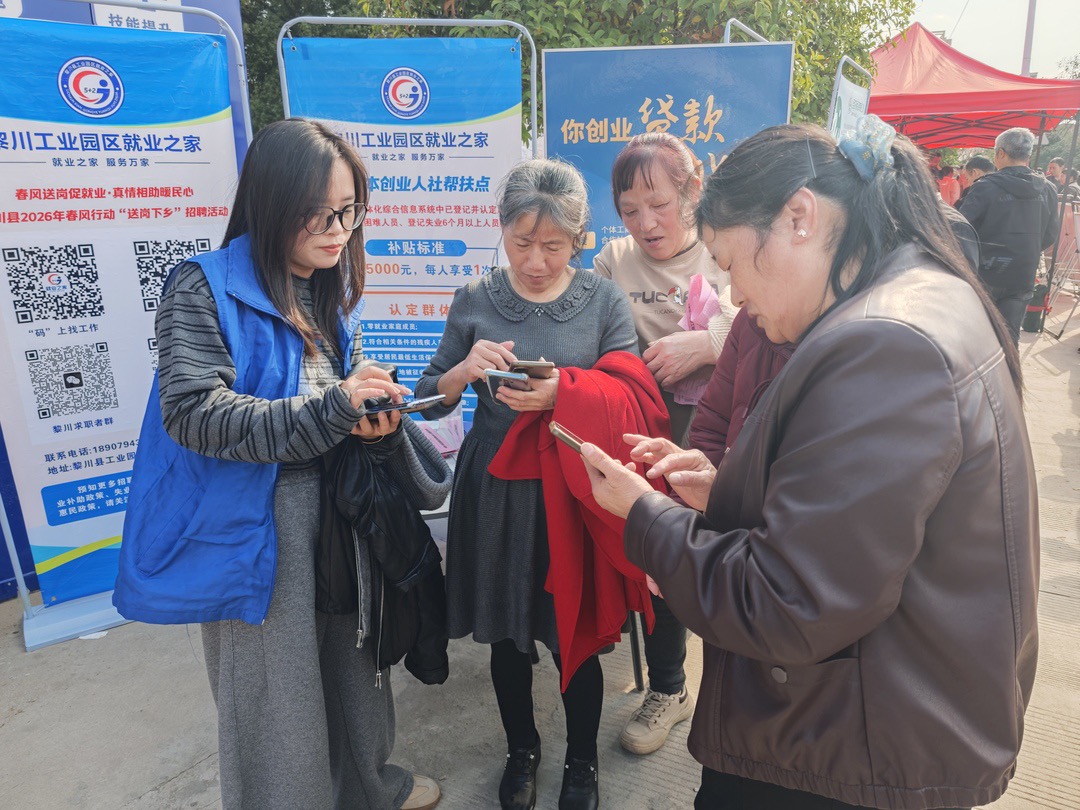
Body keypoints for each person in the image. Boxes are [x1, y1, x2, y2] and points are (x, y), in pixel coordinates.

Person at [581, 119, 1038, 810]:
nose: (735, 297)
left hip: (850, 745)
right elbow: (855, 528)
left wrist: (645, 514)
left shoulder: (881, 345)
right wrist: (724, 492)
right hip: (867, 715)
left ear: (799, 218)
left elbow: (788, 604)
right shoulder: (921, 293)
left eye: (732, 263)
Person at [113, 119, 448, 810]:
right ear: (270, 204)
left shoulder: (322, 287)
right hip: (254, 529)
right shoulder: (201, 287)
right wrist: (330, 411)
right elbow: (193, 413)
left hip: (339, 511)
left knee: (354, 670)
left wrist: (370, 413)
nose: (339, 230)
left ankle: (370, 789)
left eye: (350, 211)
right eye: (320, 214)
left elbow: (333, 397)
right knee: (277, 704)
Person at [414, 159, 649, 810]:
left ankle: (582, 761)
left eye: (553, 245)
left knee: (575, 635)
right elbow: (428, 399)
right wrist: (463, 371)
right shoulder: (475, 298)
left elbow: (631, 396)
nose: (537, 261)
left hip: (573, 491)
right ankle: (522, 749)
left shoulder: (602, 301)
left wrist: (563, 393)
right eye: (522, 243)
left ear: (578, 239)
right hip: (496, 489)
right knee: (507, 634)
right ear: (501, 230)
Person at [592, 132, 736, 756]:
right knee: (662, 552)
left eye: (659, 204)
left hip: (722, 430)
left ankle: (734, 684)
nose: (646, 223)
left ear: (693, 190)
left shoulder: (724, 250)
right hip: (645, 428)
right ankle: (671, 688)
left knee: (727, 553)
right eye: (630, 210)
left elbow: (769, 323)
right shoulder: (612, 261)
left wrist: (707, 343)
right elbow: (595, 330)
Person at [959, 127, 1059, 342]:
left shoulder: (985, 187)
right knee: (1010, 336)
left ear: (1001, 153)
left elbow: (962, 228)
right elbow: (1051, 234)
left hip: (985, 272)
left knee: (976, 337)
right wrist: (1026, 249)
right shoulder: (1048, 189)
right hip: (1023, 272)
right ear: (1028, 155)